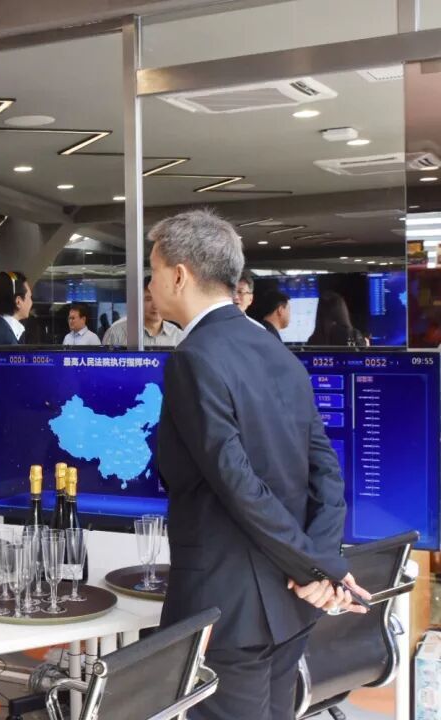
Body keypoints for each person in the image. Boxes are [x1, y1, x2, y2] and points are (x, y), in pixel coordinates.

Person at [147, 209, 369, 720]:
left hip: (227, 608)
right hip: (291, 606)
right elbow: (326, 473)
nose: (150, 286)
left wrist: (316, 568)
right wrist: (319, 565)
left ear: (179, 275)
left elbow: (236, 483)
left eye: (153, 271)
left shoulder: (193, 358)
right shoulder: (278, 353)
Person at [101, 277, 184, 347]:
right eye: (148, 299)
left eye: (160, 298)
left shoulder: (178, 337)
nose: (155, 305)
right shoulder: (116, 333)